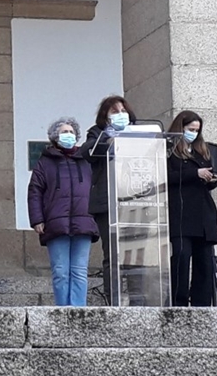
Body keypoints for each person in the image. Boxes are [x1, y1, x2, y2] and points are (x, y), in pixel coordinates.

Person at [28, 116, 100, 307]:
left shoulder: (87, 160)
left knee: (79, 271)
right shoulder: (45, 162)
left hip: (84, 221)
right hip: (55, 222)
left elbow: (98, 187)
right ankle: (62, 311)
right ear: (54, 137)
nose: (69, 135)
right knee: (60, 272)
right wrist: (37, 219)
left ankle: (77, 311)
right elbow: (35, 191)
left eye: (71, 132)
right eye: (63, 132)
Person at [82, 95, 137, 304]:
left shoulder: (139, 134)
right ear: (105, 116)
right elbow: (85, 151)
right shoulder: (97, 134)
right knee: (113, 254)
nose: (120, 115)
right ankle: (113, 300)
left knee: (136, 255)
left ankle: (137, 300)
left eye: (123, 111)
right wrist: (107, 139)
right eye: (114, 112)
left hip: (136, 201)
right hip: (107, 204)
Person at [166, 110, 217, 307]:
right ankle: (178, 302)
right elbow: (166, 177)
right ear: (180, 129)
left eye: (197, 131)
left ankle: (202, 304)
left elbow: (207, 178)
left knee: (205, 262)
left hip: (203, 214)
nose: (194, 134)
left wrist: (212, 179)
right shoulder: (168, 151)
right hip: (181, 212)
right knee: (181, 257)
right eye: (190, 130)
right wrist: (195, 173)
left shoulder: (202, 151)